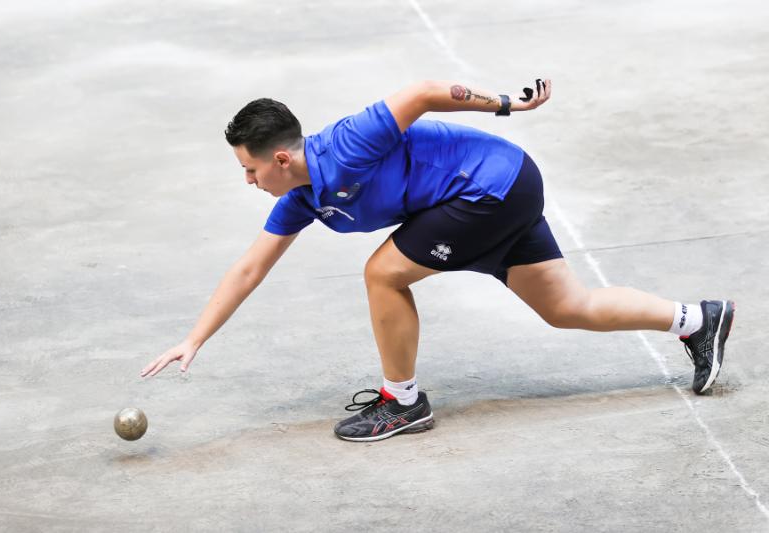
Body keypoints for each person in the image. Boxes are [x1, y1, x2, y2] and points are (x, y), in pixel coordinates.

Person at [140, 79, 735, 442]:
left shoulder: (347, 144)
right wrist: (194, 339)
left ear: (281, 158)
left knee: (382, 273)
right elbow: (251, 267)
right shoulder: (301, 198)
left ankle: (402, 402)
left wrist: (507, 103)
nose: (248, 181)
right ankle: (697, 320)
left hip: (488, 186)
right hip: (497, 190)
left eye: (250, 169)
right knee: (566, 307)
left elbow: (422, 93)